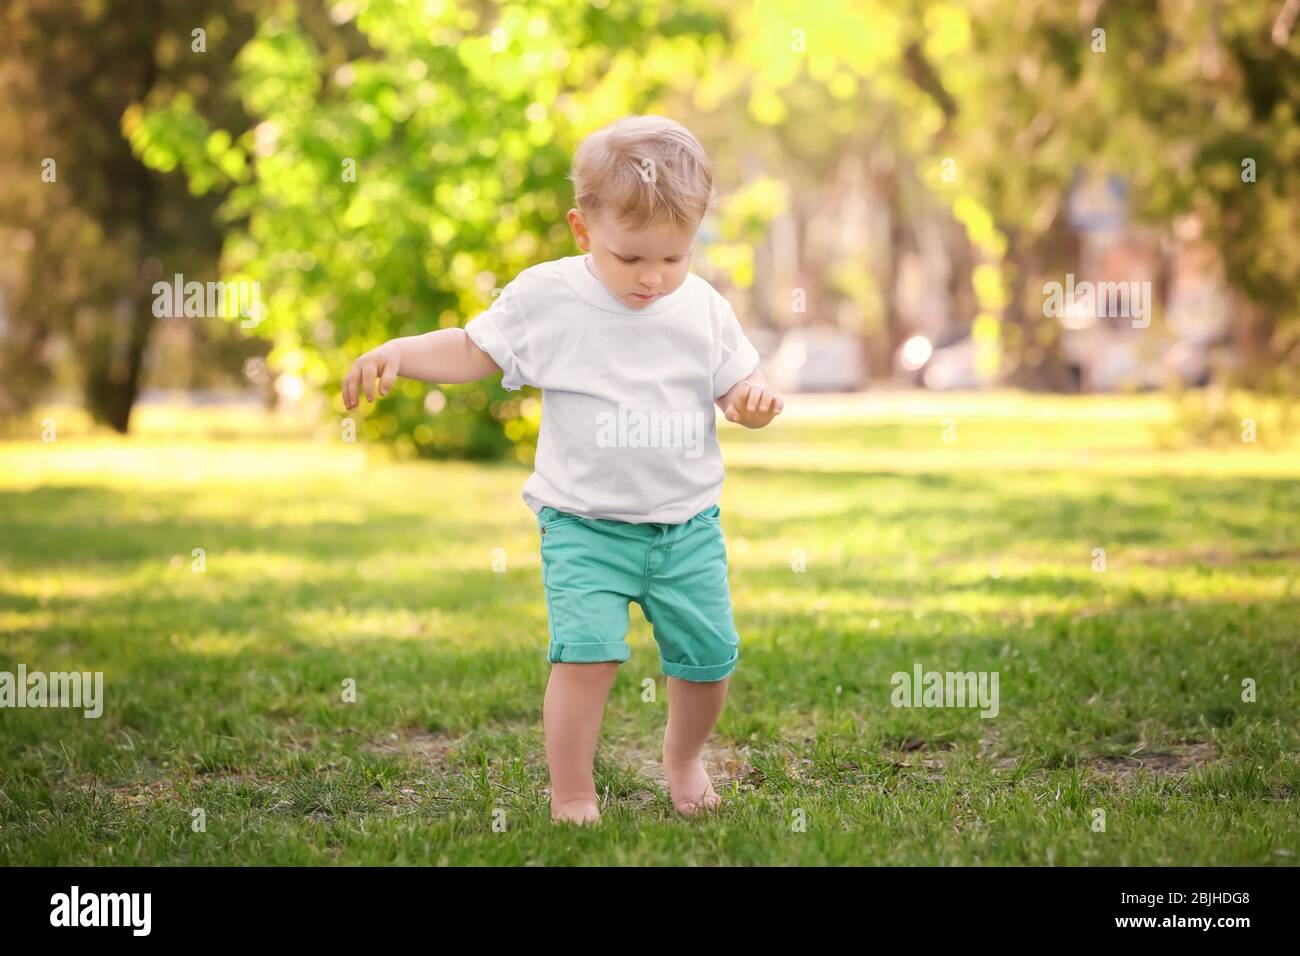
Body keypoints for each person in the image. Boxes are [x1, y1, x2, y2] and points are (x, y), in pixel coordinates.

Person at [343, 114, 783, 824]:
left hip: (686, 528)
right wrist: (402, 351)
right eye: (630, 258)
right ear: (583, 232)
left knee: (708, 661)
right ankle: (573, 791)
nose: (652, 278)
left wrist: (752, 404)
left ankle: (684, 757)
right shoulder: (549, 298)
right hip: (584, 525)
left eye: (673, 258)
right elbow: (473, 349)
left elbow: (736, 389)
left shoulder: (700, 306)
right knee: (585, 658)